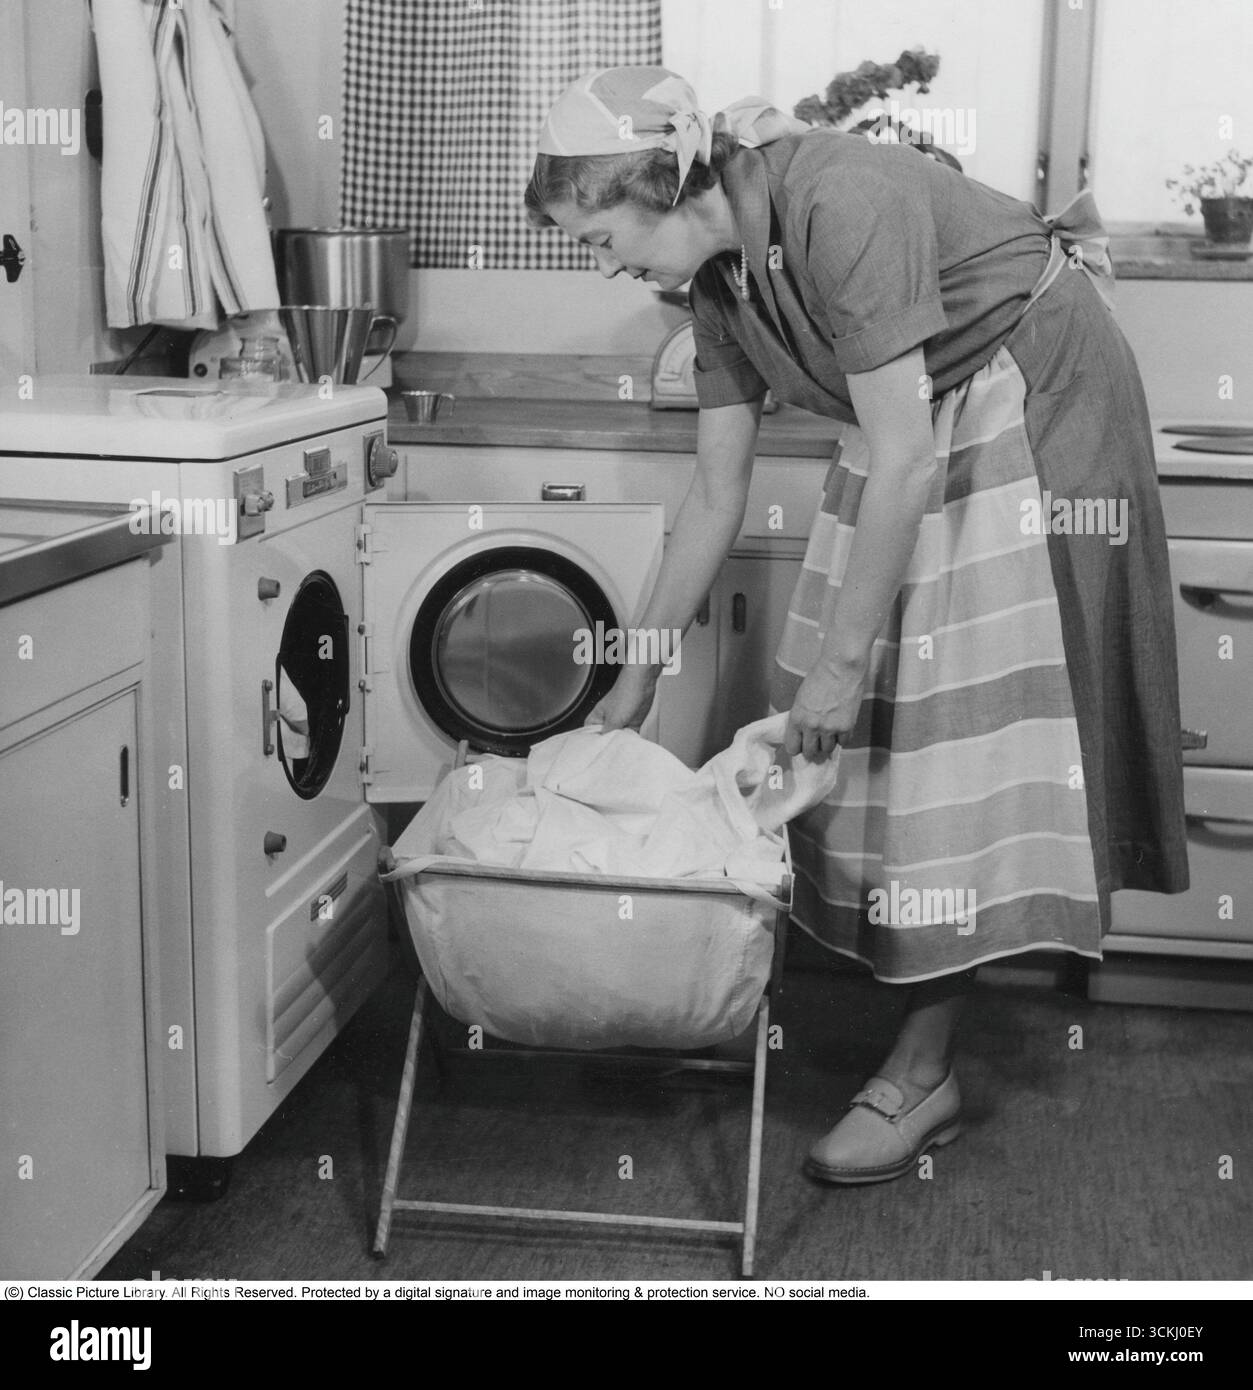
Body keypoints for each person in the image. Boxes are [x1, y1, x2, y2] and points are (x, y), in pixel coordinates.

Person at [524, 67, 1189, 1184]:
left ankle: (922, 1073)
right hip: (917, 429)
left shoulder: (841, 203)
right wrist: (630, 672)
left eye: (599, 235)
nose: (602, 266)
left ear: (673, 186)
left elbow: (903, 455)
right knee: (867, 721)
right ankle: (790, 998)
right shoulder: (715, 287)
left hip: (1034, 398)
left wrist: (836, 671)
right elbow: (712, 496)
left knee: (942, 736)